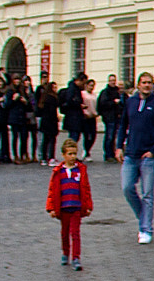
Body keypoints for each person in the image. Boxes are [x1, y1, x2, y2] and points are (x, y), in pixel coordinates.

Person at [116, 74, 154, 243]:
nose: (147, 85)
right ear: (138, 85)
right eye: (144, 83)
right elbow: (123, 125)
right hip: (131, 154)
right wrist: (119, 146)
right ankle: (143, 217)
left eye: (149, 83)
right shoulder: (130, 102)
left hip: (148, 156)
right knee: (127, 188)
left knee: (147, 194)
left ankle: (145, 229)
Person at [46, 139, 92, 270]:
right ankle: (65, 253)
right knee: (64, 233)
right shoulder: (58, 172)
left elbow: (86, 188)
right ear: (64, 155)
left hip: (76, 206)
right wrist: (51, 208)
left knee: (75, 233)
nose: (73, 157)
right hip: (63, 207)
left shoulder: (80, 170)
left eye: (74, 154)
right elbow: (52, 191)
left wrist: (88, 206)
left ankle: (76, 257)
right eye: (70, 154)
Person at [97, 76, 125, 162]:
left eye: (114, 80)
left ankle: (112, 153)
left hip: (116, 116)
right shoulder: (105, 92)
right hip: (109, 117)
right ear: (108, 81)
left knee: (113, 137)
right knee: (109, 136)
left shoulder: (117, 92)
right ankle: (108, 154)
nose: (113, 82)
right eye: (111, 81)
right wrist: (113, 102)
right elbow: (102, 104)